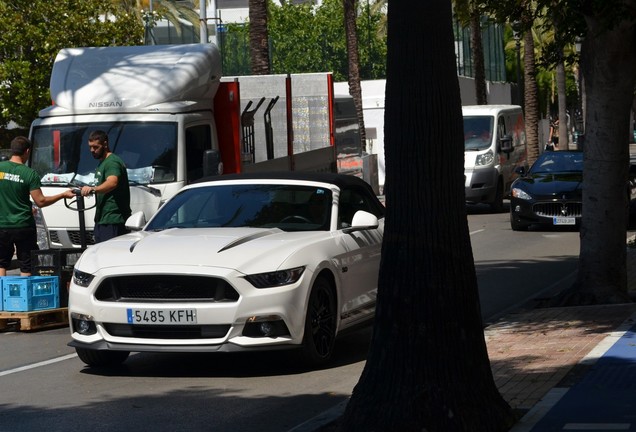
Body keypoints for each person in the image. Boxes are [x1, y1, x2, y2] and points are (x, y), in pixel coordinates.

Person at [0, 136, 75, 276]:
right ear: (27, 151)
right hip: (23, 225)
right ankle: (24, 296)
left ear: (12, 150)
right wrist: (63, 195)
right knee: (26, 264)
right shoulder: (29, 174)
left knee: (1, 262)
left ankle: (1, 295)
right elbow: (40, 201)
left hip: (2, 226)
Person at [80, 130, 131, 243]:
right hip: (102, 220)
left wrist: (93, 189)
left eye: (95, 147)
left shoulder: (112, 162)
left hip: (113, 220)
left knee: (109, 256)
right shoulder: (103, 163)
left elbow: (113, 182)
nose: (92, 150)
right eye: (90, 147)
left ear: (105, 144)